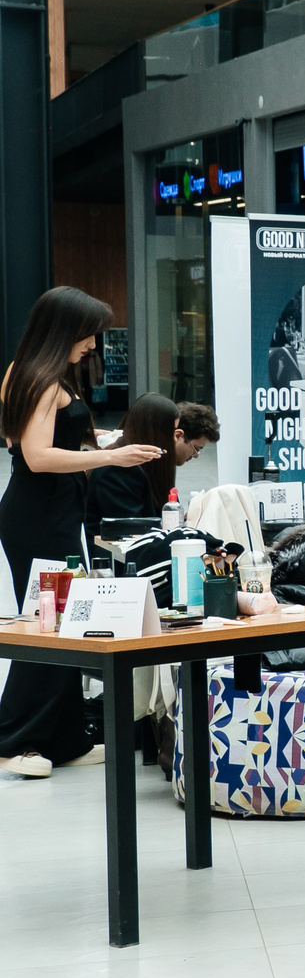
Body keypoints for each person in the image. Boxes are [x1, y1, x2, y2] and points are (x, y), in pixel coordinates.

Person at [0, 289, 158, 779]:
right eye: (88, 333)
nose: (92, 343)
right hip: (39, 514)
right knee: (50, 622)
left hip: (53, 511)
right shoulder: (40, 381)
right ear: (65, 329)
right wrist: (109, 456)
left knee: (65, 620)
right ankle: (15, 739)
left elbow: (40, 442)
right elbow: (36, 456)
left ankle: (65, 737)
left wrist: (105, 443)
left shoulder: (31, 374)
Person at [90, 393, 192, 525]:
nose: (174, 439)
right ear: (155, 433)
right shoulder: (118, 471)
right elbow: (129, 530)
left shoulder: (147, 467)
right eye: (172, 431)